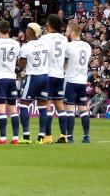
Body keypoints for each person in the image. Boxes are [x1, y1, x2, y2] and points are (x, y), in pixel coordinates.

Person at [0, 19, 21, 144]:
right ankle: (15, 138)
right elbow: (18, 61)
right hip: (12, 77)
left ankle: (2, 138)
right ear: (9, 30)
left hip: (0, 77)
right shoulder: (16, 44)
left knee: (1, 108)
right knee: (13, 108)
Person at [17, 22, 51, 143]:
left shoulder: (26, 46)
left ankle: (26, 136)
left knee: (23, 104)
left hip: (33, 77)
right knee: (42, 106)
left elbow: (21, 66)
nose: (25, 32)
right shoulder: (45, 44)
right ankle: (41, 136)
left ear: (30, 32)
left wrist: (17, 69)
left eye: (26, 30)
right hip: (45, 76)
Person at [41, 14, 69, 143]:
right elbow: (66, 57)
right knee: (60, 105)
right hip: (60, 74)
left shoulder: (45, 38)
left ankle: (48, 136)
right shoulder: (64, 39)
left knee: (47, 105)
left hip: (48, 74)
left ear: (49, 24)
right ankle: (64, 135)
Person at [63, 21, 93, 143]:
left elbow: (64, 63)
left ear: (73, 32)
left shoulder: (68, 46)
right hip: (82, 80)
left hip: (70, 80)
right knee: (83, 109)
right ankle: (86, 136)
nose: (66, 33)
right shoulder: (87, 46)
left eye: (67, 31)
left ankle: (69, 136)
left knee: (69, 109)